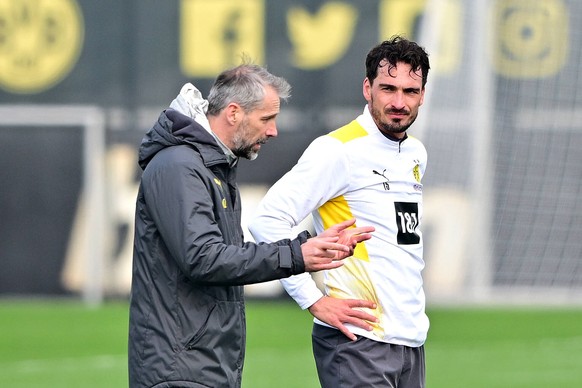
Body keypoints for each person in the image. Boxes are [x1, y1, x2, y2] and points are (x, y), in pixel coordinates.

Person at [127, 63, 374, 388]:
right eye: (266, 119)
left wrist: (301, 251)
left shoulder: (212, 167)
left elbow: (223, 257)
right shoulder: (180, 167)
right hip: (178, 369)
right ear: (233, 113)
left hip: (202, 365)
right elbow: (203, 259)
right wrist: (296, 256)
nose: (273, 131)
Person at [249, 36, 431, 387]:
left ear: (422, 94)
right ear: (367, 88)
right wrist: (313, 300)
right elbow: (266, 220)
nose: (398, 102)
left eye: (410, 91)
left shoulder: (415, 154)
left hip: (409, 341)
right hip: (357, 341)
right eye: (388, 88)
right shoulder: (338, 151)